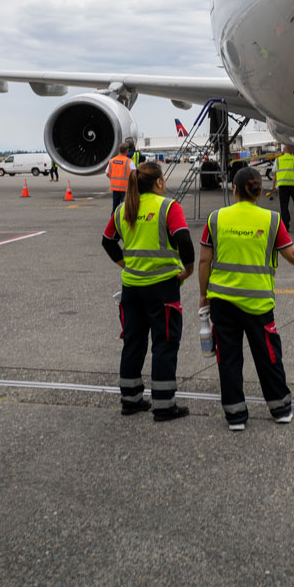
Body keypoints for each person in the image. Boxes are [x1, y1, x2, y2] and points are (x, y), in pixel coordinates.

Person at [199, 166, 294, 430]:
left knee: (228, 358)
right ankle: (280, 409)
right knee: (269, 356)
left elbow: (205, 259)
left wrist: (203, 296)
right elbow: (292, 254)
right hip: (258, 304)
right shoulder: (271, 219)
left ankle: (235, 416)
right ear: (260, 192)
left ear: (234, 190)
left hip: (222, 302)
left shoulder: (216, 218)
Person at [102, 161, 194, 420]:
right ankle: (164, 406)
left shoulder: (123, 209)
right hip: (162, 288)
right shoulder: (168, 207)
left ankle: (130, 400)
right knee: (164, 345)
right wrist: (187, 270)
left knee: (133, 342)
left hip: (131, 287)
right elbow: (184, 240)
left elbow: (107, 240)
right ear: (159, 182)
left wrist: (124, 263)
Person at [271, 143, 294, 232]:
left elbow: (274, 175)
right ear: (291, 151)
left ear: (283, 151)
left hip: (282, 186)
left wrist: (273, 187)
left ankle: (286, 225)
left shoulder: (278, 160)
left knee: (284, 206)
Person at [105, 142, 136, 212]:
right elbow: (134, 174)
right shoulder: (129, 161)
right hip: (125, 188)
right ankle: (122, 221)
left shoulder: (112, 160)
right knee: (124, 208)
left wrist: (112, 178)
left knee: (115, 207)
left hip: (115, 188)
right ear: (127, 151)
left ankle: (113, 221)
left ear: (119, 150)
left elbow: (107, 173)